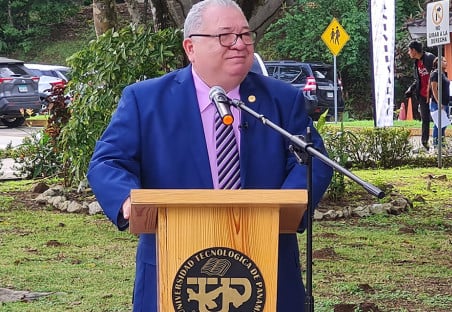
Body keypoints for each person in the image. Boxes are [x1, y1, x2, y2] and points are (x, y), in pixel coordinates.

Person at [86, 0, 333, 311]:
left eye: (246, 35)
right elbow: (107, 161)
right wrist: (125, 199)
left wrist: (282, 208)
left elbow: (314, 162)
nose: (240, 44)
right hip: (173, 266)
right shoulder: (145, 100)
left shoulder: (282, 99)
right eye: (226, 36)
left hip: (267, 260)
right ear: (191, 47)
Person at [405, 40, 436, 151]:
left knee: (438, 119)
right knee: (425, 119)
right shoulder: (416, 62)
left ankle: (440, 145)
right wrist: (411, 89)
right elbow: (418, 79)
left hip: (434, 94)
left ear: (414, 50)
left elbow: (439, 73)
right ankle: (425, 144)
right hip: (422, 95)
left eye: (409, 50)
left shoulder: (429, 58)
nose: (408, 53)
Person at [428, 56, 450, 149]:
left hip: (446, 102)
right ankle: (437, 145)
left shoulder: (444, 74)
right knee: (439, 124)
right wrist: (438, 102)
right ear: (438, 63)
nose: (446, 62)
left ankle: (442, 143)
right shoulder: (435, 74)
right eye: (443, 61)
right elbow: (434, 89)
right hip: (437, 103)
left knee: (443, 124)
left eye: (446, 61)